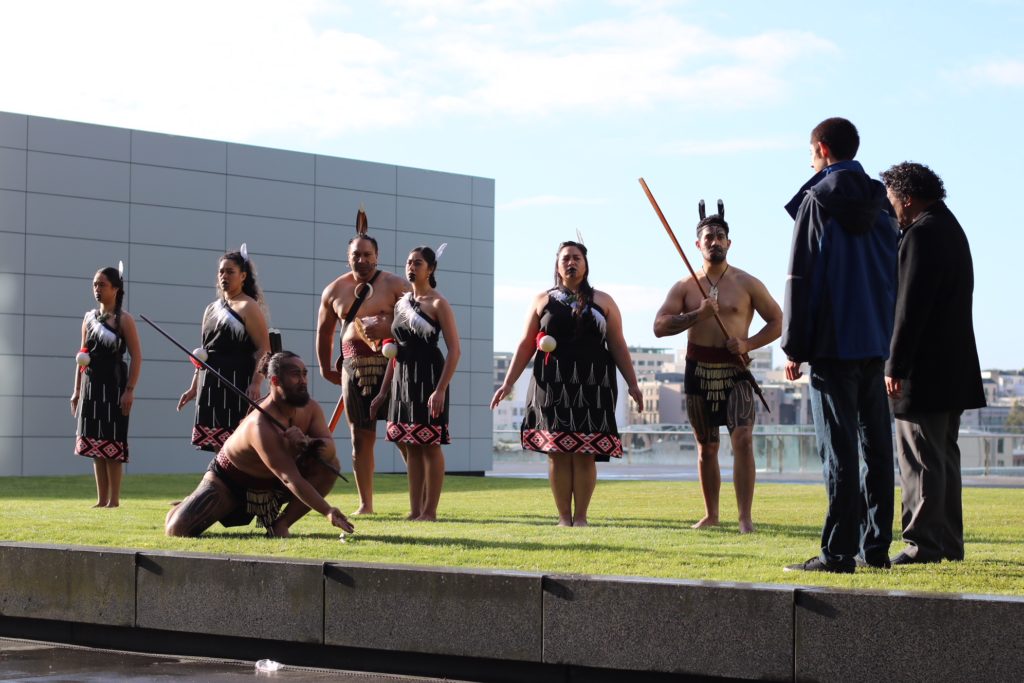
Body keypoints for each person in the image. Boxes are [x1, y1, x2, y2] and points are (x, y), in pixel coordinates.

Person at [782, 117, 899, 573]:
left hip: (833, 341)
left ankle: (837, 552)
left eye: (811, 151)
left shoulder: (818, 199)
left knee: (840, 450)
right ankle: (876, 548)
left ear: (823, 149)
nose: (810, 159)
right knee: (876, 449)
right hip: (875, 339)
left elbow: (801, 276)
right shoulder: (884, 203)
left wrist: (795, 345)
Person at [491, 241, 643, 527]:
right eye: (565, 259)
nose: (571, 263)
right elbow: (525, 344)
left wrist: (633, 384)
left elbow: (618, 345)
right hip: (552, 384)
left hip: (593, 385)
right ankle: (563, 517)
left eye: (576, 258)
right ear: (557, 266)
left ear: (585, 265)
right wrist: (508, 382)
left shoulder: (604, 301)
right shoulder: (542, 300)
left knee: (586, 453)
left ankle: (582, 517)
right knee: (557, 452)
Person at [880, 162, 986, 565]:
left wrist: (895, 364)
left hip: (923, 370)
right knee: (943, 457)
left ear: (907, 198)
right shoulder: (950, 228)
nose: (891, 209)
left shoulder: (921, 235)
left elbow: (910, 308)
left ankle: (922, 543)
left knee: (919, 456)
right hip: (953, 368)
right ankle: (948, 543)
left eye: (892, 200)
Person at [653, 203, 781, 533]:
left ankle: (744, 518)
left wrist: (748, 344)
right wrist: (698, 315)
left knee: (743, 440)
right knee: (707, 447)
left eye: (721, 236)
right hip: (699, 369)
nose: (715, 241)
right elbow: (659, 326)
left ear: (729, 243)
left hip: (736, 370)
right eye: (709, 236)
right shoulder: (685, 286)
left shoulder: (746, 282)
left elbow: (778, 321)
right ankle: (712, 514)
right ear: (698, 244)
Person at [166, 351, 354, 538]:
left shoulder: (311, 409)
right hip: (230, 483)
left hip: (273, 485)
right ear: (275, 381)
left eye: (304, 374)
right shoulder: (260, 425)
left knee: (330, 467)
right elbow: (289, 477)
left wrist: (308, 442)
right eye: (295, 375)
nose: (303, 380)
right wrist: (328, 511)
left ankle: (280, 524)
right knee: (177, 530)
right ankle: (187, 503)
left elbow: (329, 450)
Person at [317, 216, 410, 515]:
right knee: (360, 436)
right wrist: (324, 367)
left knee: (403, 434)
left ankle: (419, 501)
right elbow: (324, 331)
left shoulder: (396, 284)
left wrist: (388, 326)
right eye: (356, 255)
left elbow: (419, 322)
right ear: (348, 258)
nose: (362, 260)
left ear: (377, 256)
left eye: (368, 255)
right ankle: (365, 504)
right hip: (353, 366)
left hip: (392, 366)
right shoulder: (334, 291)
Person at [370, 246, 461, 521]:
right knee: (410, 445)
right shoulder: (401, 303)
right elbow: (396, 351)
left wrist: (441, 389)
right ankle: (414, 510)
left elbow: (455, 350)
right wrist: (384, 391)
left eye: (418, 263)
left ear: (430, 269)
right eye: (409, 262)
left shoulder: (438, 304)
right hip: (402, 380)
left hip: (430, 377)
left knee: (430, 445)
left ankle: (430, 511)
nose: (411, 267)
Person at [177, 249, 271, 453]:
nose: (224, 276)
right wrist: (194, 386)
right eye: (221, 272)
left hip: (236, 382)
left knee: (235, 447)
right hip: (210, 383)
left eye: (230, 272)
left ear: (243, 276)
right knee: (216, 448)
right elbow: (204, 351)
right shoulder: (211, 308)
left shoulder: (248, 306)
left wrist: (256, 382)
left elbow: (264, 348)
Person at [71, 265, 142, 508]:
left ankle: (114, 500)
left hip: (114, 385)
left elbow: (137, 357)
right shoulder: (89, 318)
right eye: (95, 285)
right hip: (91, 385)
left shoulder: (124, 320)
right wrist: (77, 390)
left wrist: (129, 390)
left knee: (112, 442)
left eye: (102, 285)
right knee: (95, 444)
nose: (97, 289)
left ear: (116, 288)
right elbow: (82, 355)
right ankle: (101, 499)